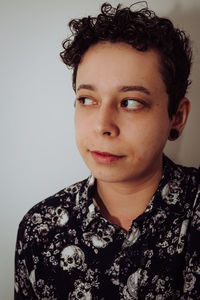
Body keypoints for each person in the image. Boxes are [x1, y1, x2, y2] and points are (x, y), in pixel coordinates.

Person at [15, 2, 200, 299]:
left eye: (130, 102)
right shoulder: (39, 230)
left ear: (176, 116)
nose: (103, 125)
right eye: (87, 99)